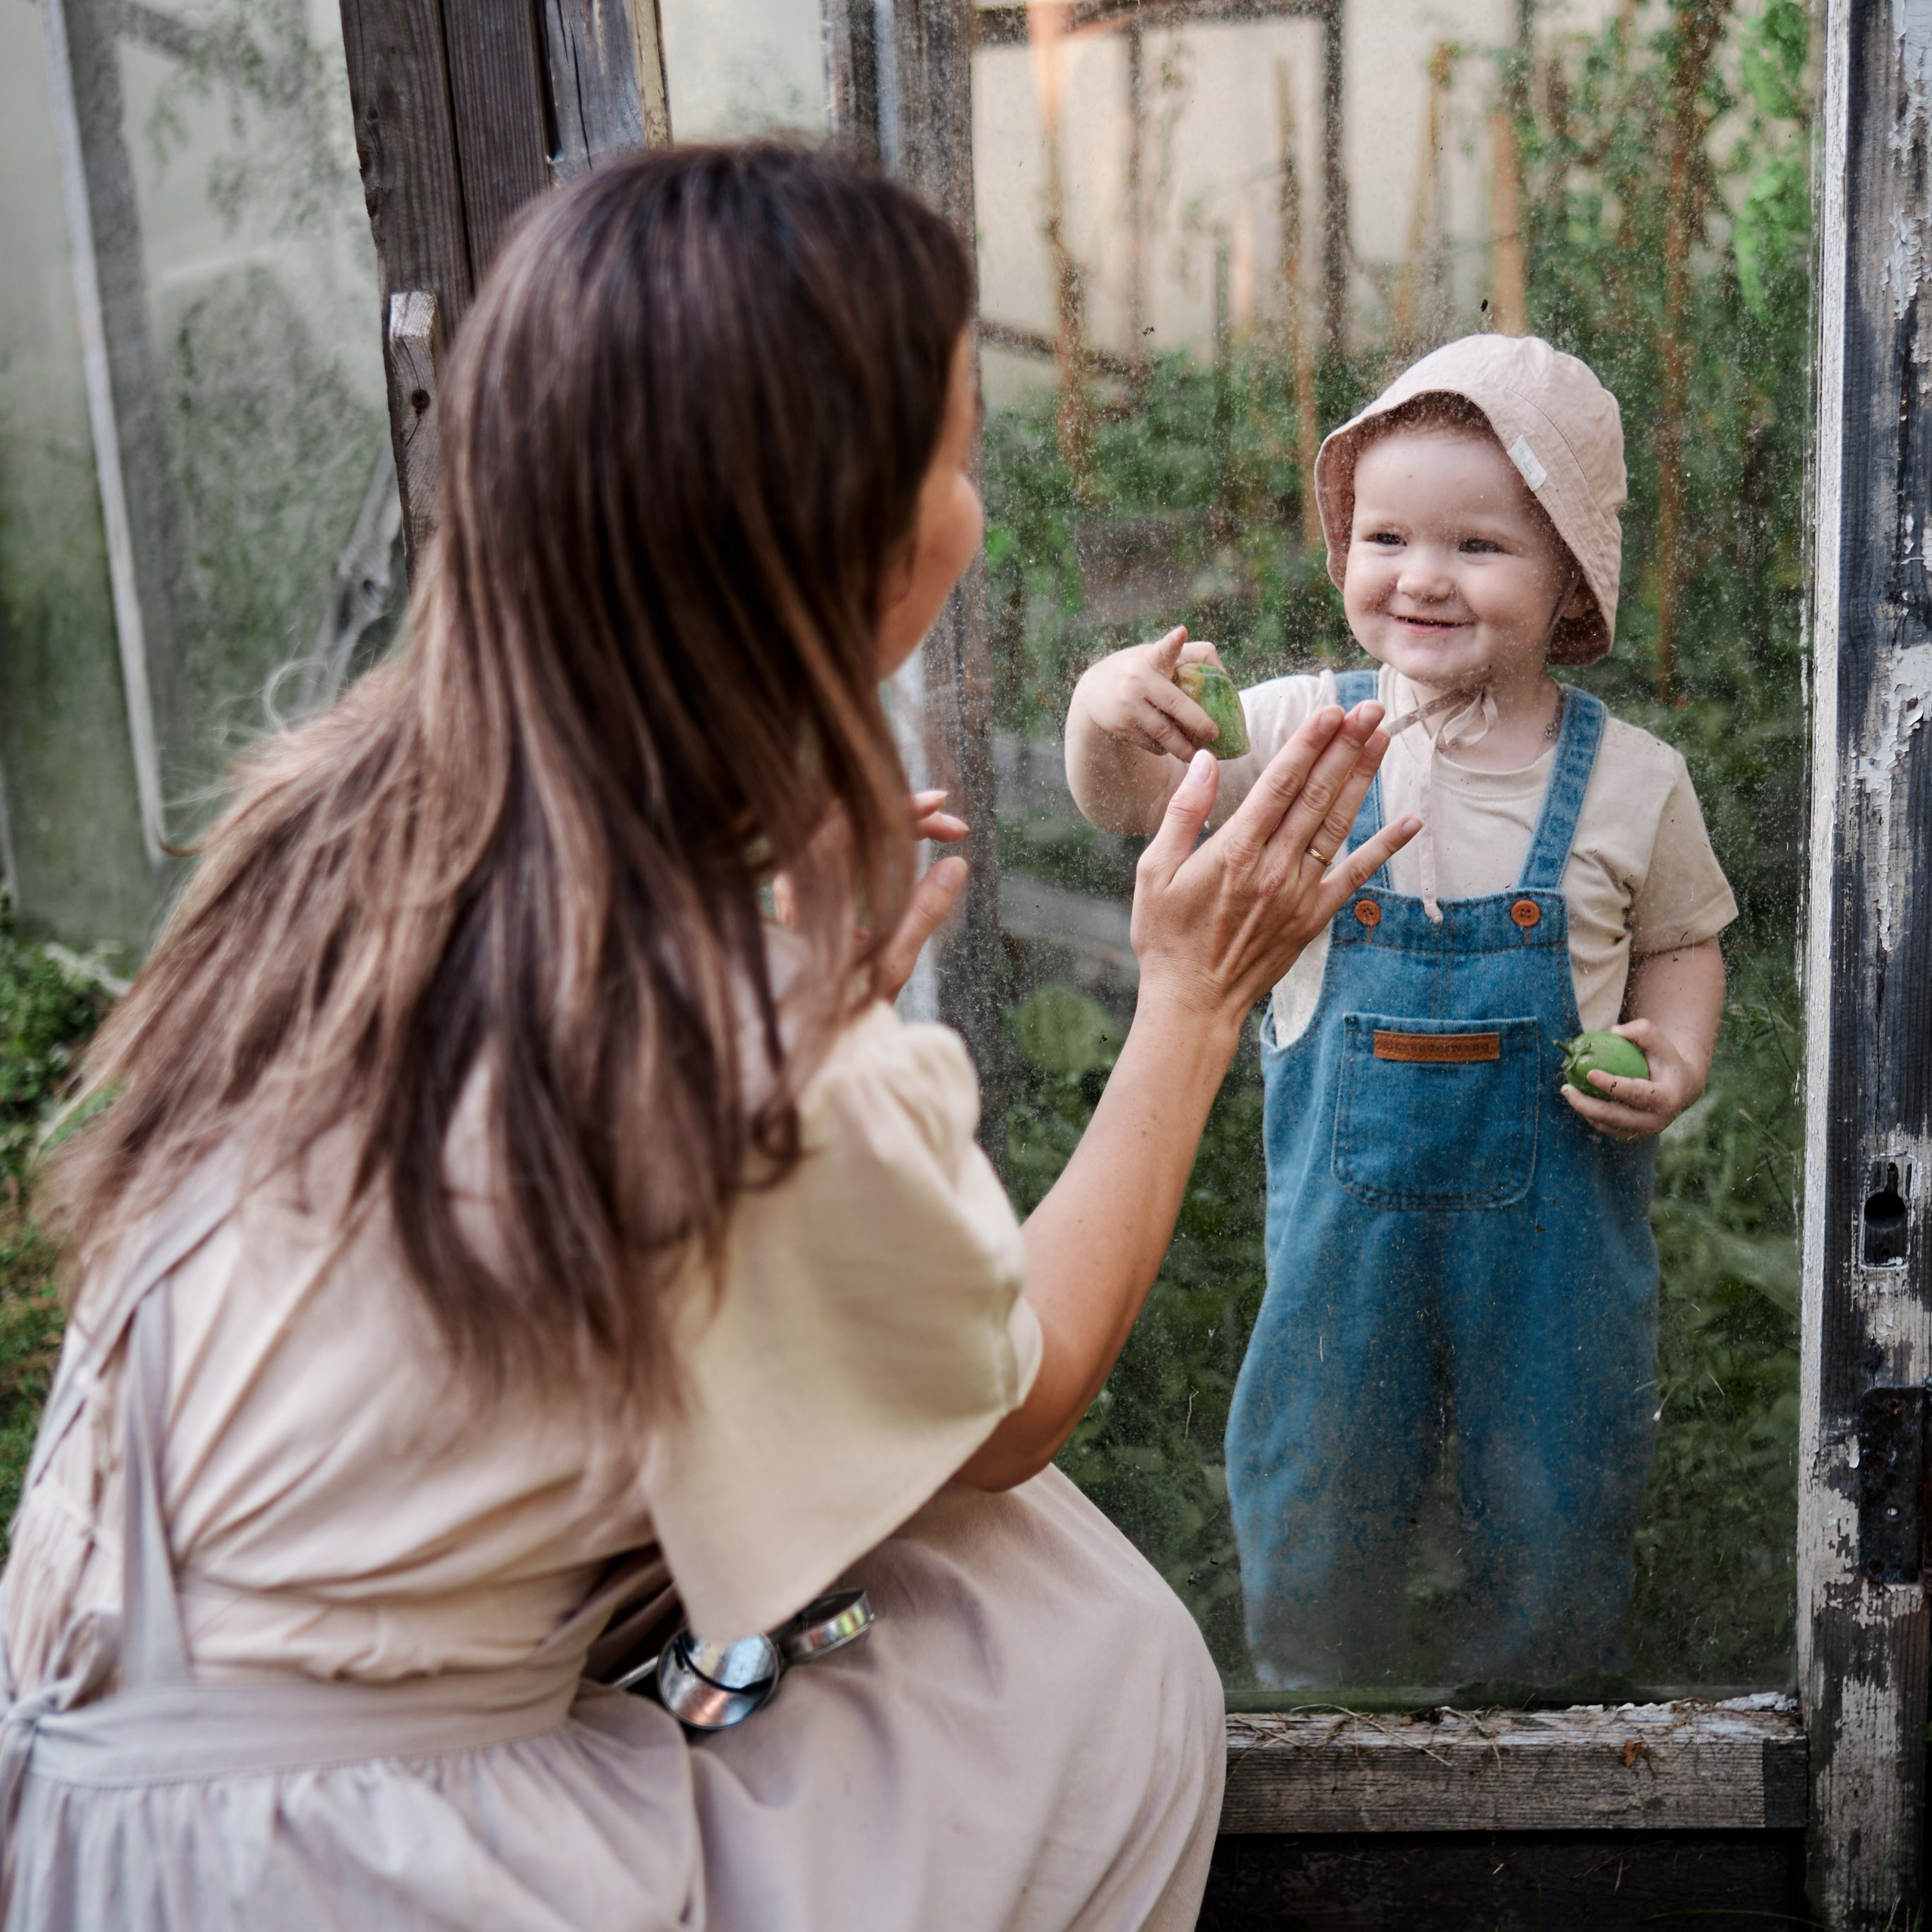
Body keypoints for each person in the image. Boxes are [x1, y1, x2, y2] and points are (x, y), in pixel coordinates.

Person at [0, 145, 1418, 1929]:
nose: (975, 508)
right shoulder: (709, 1022)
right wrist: (1195, 997)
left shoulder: (348, 822)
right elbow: (1014, 1398)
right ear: (853, 541)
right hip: (348, 1863)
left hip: (85, 1803)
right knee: (1074, 1642)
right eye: (959, 454)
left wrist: (811, 993)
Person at [1063, 334, 1737, 1690]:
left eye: (1480, 546)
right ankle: (1322, 1706)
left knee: (1555, 1468)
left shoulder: (1631, 782)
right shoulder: (1300, 729)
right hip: (1340, 1252)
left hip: (1553, 1251)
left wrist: (1676, 1051)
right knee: (1317, 1466)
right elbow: (1130, 798)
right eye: (1386, 536)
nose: (1421, 575)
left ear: (1568, 588)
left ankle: (1542, 1723)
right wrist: (1102, 707)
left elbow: (1682, 939)